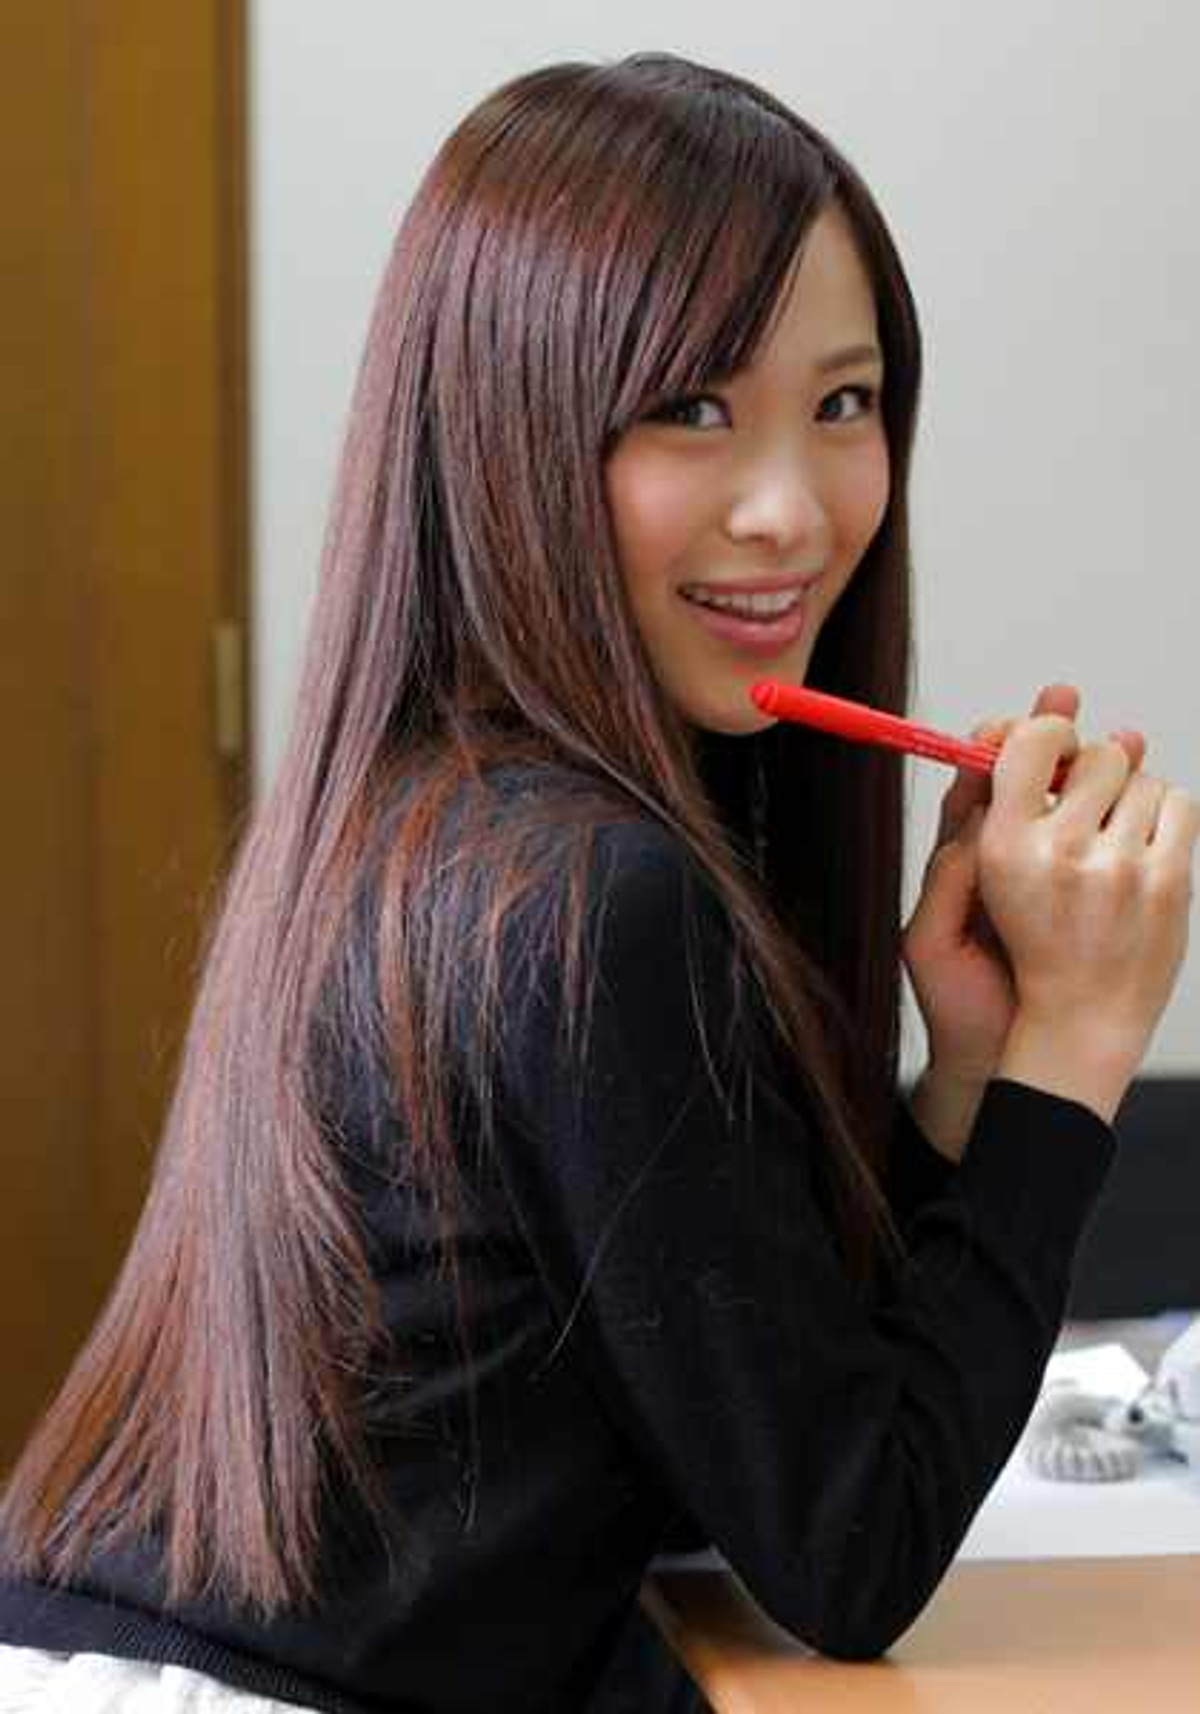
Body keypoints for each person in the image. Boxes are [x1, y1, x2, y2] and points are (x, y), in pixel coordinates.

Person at [1, 48, 1196, 1714]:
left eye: (843, 404)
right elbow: (853, 1552)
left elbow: (775, 1430)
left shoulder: (444, 819)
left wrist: (975, 1068)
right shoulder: (588, 897)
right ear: (510, 433)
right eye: (693, 407)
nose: (791, 510)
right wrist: (1078, 1043)